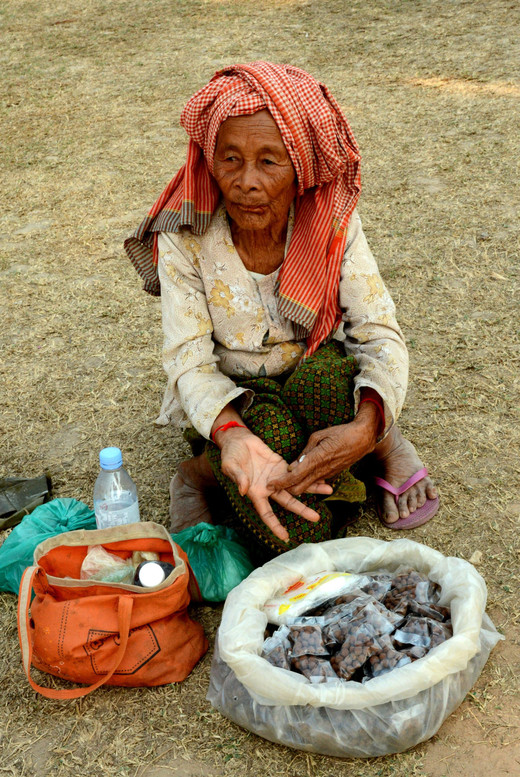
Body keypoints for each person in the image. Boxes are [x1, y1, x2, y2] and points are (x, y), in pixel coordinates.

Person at [125, 61, 439, 557]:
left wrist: (366, 426)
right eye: (230, 159)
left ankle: (382, 440)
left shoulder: (331, 219)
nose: (246, 181)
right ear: (210, 162)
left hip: (315, 368)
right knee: (297, 531)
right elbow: (189, 360)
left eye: (269, 162)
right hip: (237, 395)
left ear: (300, 171)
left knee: (327, 391)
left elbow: (379, 335)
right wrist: (230, 437)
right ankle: (199, 473)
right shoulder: (184, 236)